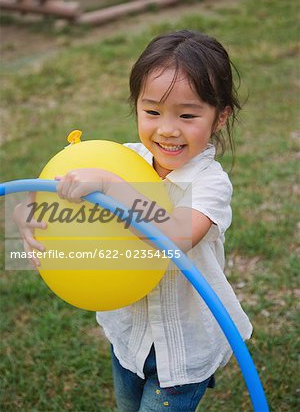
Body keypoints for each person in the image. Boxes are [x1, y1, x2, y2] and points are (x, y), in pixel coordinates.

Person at [14, 30, 252, 412]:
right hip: (129, 337)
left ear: (220, 116)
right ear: (137, 106)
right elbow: (50, 193)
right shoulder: (122, 160)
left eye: (187, 115)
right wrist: (27, 213)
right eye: (152, 111)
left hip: (184, 348)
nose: (167, 129)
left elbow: (175, 235)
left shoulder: (209, 183)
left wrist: (114, 186)